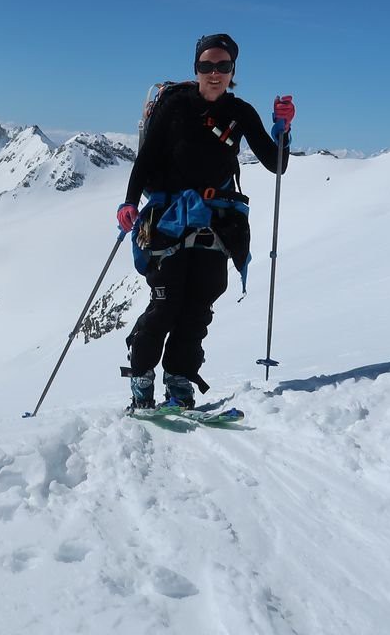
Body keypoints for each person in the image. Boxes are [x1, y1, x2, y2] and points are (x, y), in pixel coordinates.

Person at [115, 33, 295, 410]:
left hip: (218, 221)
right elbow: (146, 158)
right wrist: (130, 202)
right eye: (206, 66)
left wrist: (283, 132)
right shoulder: (176, 106)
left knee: (199, 306)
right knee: (166, 303)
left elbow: (276, 164)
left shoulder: (241, 112)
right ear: (195, 68)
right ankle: (142, 379)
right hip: (168, 219)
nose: (214, 73)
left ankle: (179, 382)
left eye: (223, 66)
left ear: (233, 71)